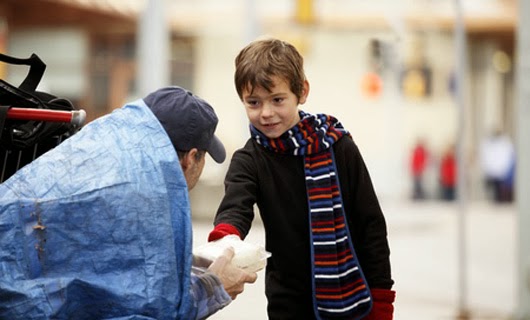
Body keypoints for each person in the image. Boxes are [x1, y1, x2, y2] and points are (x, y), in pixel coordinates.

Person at [0, 86, 256, 320]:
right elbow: (158, 311)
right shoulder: (149, 200)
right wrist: (214, 286)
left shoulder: (104, 150)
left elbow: (105, 266)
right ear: (190, 158)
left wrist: (183, 262)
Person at [207, 37, 395, 319]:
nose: (266, 113)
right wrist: (226, 240)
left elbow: (371, 226)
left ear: (302, 92)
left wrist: (382, 300)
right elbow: (236, 207)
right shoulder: (249, 160)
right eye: (254, 102)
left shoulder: (339, 147)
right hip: (288, 306)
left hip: (356, 300)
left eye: (278, 100)